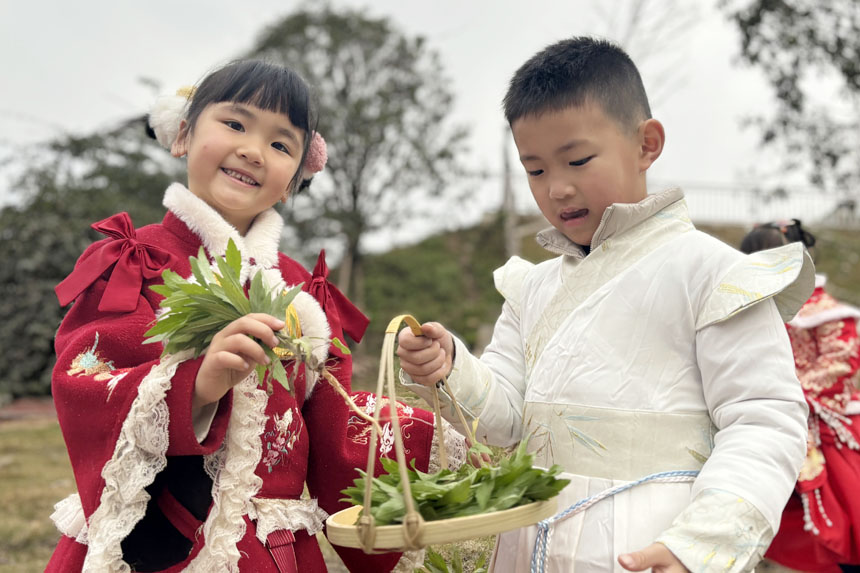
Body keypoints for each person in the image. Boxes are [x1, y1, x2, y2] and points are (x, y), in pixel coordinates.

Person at [396, 37, 815, 572]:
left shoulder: (711, 273)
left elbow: (765, 419)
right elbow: (503, 421)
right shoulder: (533, 287)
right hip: (531, 546)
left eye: (577, 160)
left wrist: (700, 547)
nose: (558, 189)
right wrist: (450, 367)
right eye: (536, 170)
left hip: (652, 549)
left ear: (647, 144)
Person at [46, 60, 464, 573]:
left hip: (274, 550)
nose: (252, 150)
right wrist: (196, 385)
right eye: (235, 124)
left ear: (294, 180)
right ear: (182, 135)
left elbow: (336, 422)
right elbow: (86, 380)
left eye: (281, 144)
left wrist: (430, 441)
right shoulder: (136, 263)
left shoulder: (302, 297)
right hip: (165, 544)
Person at [741, 221, 860, 573]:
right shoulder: (756, 309)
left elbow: (842, 359)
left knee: (846, 514)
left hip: (821, 420)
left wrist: (790, 394)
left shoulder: (824, 310)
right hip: (769, 410)